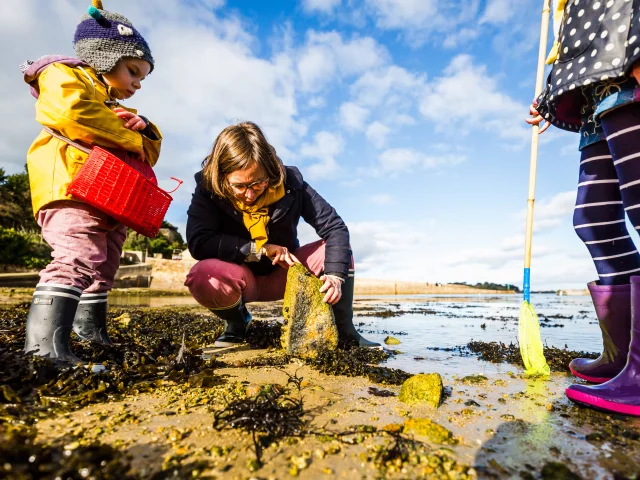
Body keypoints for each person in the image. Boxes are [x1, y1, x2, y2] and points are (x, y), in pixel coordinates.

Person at [21, 0, 162, 369]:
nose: (137, 83)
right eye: (133, 71)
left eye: (142, 78)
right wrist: (131, 137)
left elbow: (150, 151)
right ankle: (45, 350)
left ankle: (89, 333)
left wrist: (144, 127)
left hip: (110, 197)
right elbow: (69, 112)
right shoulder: (63, 74)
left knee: (104, 265)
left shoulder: (116, 106)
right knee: (77, 257)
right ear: (103, 57)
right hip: (70, 186)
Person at [528, 0, 640, 415]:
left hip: (627, 61)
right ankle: (623, 356)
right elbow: (580, 29)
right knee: (592, 218)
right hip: (598, 91)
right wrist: (552, 94)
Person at [185, 121, 379, 349]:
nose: (249, 195)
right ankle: (238, 324)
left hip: (286, 275)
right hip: (240, 276)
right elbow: (199, 242)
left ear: (269, 169)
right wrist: (258, 250)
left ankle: (346, 333)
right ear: (222, 177)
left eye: (258, 184)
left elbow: (335, 228)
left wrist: (335, 277)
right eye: (239, 186)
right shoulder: (208, 189)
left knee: (337, 251)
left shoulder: (292, 184)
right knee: (202, 274)